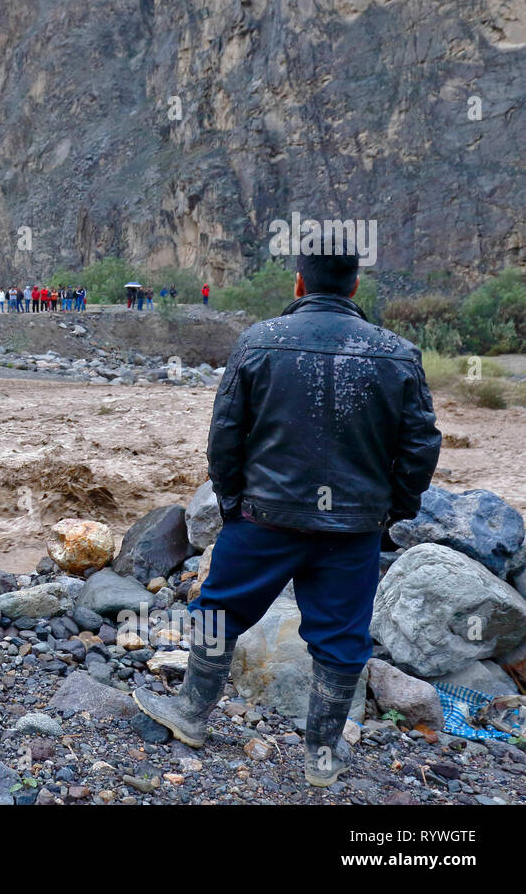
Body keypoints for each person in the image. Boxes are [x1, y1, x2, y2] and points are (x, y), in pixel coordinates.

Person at [132, 249, 441, 788]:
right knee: (343, 637)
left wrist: (231, 503)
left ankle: (191, 713)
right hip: (352, 527)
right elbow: (420, 445)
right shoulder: (397, 353)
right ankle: (322, 756)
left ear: (300, 283)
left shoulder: (259, 341)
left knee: (216, 612)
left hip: (264, 519)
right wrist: (395, 510)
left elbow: (225, 434)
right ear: (354, 286)